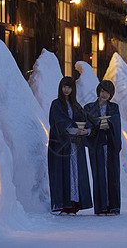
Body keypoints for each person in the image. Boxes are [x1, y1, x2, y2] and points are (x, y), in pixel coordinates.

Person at [48, 76, 93, 215]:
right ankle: (64, 205)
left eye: (69, 87)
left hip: (75, 146)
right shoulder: (56, 104)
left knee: (75, 174)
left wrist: (87, 130)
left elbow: (86, 120)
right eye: (64, 87)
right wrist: (74, 130)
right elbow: (59, 122)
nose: (66, 90)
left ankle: (74, 205)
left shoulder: (76, 106)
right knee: (63, 173)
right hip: (62, 146)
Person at [85, 80, 122, 215]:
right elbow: (87, 123)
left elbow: (116, 122)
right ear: (98, 91)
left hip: (110, 144)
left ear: (111, 94)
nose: (104, 94)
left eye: (107, 92)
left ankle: (113, 207)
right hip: (97, 144)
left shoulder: (114, 107)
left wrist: (107, 123)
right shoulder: (89, 107)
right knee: (98, 174)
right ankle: (101, 207)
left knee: (112, 175)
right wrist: (97, 125)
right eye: (102, 91)